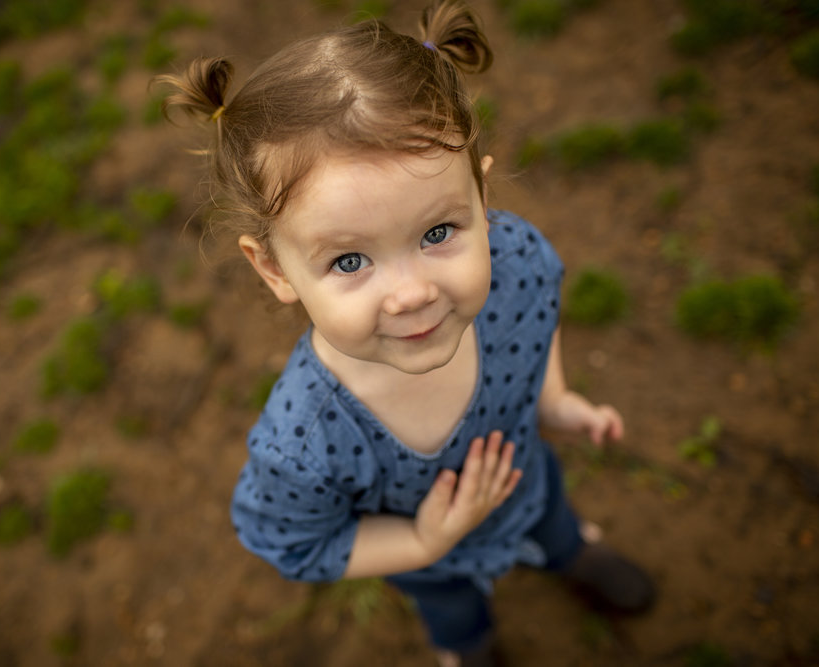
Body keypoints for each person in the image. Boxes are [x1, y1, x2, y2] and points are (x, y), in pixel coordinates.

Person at [159, 1, 655, 664]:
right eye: (350, 260)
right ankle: (469, 645)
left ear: (482, 201)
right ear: (274, 267)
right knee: (455, 612)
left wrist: (554, 400)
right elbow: (292, 539)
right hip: (433, 561)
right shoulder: (304, 442)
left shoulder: (517, 265)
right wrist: (423, 541)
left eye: (437, 232)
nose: (413, 293)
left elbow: (539, 321)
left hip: (522, 480)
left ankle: (569, 549)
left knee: (552, 518)